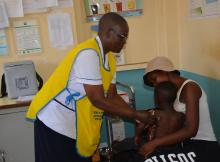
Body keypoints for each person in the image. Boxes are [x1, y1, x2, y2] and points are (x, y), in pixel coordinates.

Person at [26, 12, 152, 162]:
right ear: (108, 33)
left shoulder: (110, 59)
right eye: (122, 37)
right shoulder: (88, 54)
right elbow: (97, 100)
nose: (124, 42)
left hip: (75, 126)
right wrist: (136, 115)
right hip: (55, 124)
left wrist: (135, 114)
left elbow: (112, 97)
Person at [141, 56, 220, 161]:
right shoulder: (174, 91)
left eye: (154, 79)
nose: (155, 85)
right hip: (185, 143)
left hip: (202, 145)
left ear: (165, 71)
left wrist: (154, 143)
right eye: (153, 84)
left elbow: (191, 130)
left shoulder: (190, 88)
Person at [112, 81, 185, 162]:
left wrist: (137, 136)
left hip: (153, 148)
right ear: (175, 97)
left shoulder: (153, 113)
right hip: (172, 147)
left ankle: (116, 146)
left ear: (156, 98)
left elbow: (140, 127)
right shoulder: (181, 116)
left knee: (127, 142)